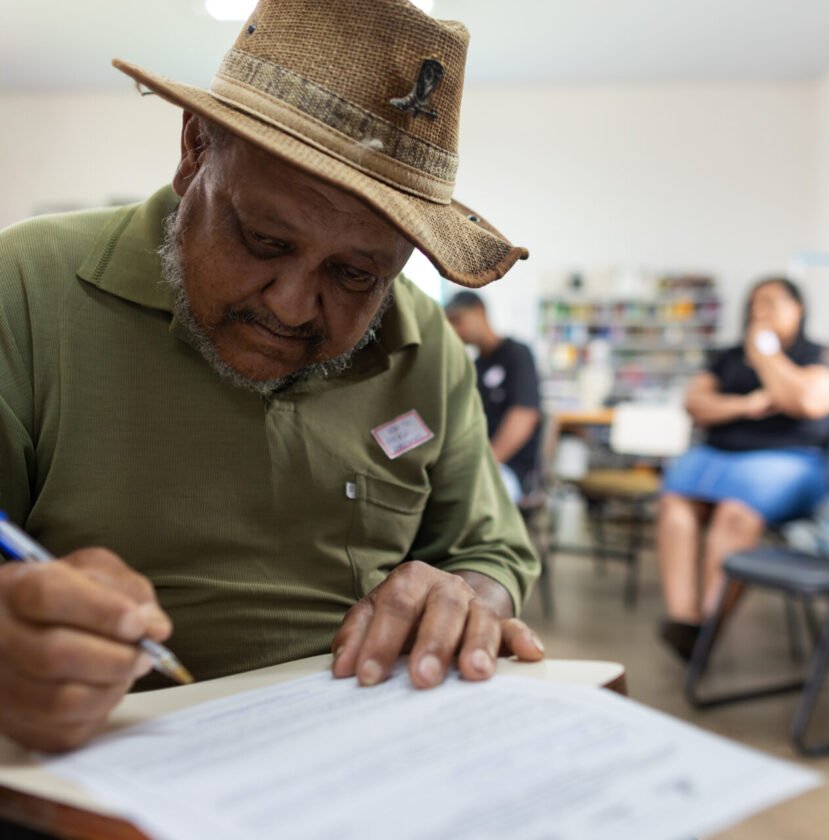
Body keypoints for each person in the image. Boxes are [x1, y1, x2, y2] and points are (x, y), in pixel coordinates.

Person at [0, 0, 545, 752]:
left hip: (361, 763)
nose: (292, 306)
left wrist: (467, 597)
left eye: (356, 274)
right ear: (195, 151)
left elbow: (493, 550)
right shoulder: (24, 289)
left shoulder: (427, 345)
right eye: (262, 239)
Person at [656, 277, 829, 660]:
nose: (760, 312)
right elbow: (696, 402)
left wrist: (765, 356)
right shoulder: (728, 355)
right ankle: (684, 620)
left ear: (798, 309)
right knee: (676, 506)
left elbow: (806, 401)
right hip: (717, 457)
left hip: (788, 463)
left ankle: (710, 625)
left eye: (772, 302)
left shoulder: (820, 355)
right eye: (755, 303)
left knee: (735, 513)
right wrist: (748, 405)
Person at [445, 292, 542, 503]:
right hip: (476, 462)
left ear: (479, 311)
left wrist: (486, 463)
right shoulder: (475, 367)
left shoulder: (517, 354)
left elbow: (524, 416)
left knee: (470, 498)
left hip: (509, 468)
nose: (454, 330)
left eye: (457, 320)